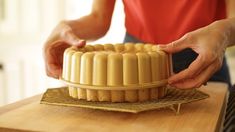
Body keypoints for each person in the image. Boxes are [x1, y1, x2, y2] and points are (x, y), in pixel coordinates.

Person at [43, 0, 235, 89]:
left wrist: (224, 32)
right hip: (131, 65)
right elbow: (99, 19)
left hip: (203, 61)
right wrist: (68, 27)